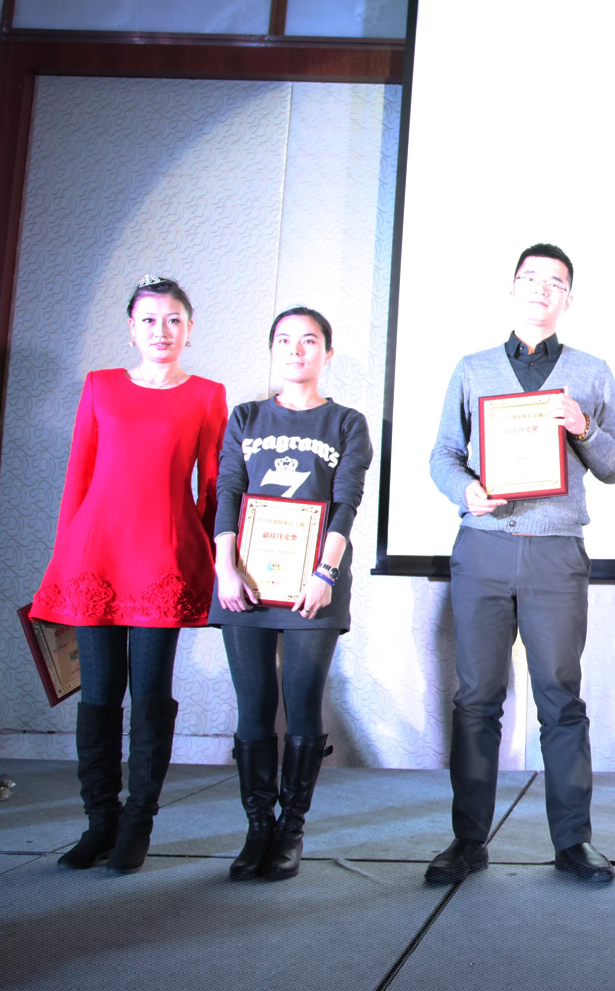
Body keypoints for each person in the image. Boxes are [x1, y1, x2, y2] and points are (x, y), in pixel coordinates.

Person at [426, 243, 615, 884]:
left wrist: (583, 428)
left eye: (556, 282)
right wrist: (466, 491)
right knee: (476, 698)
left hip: (555, 552)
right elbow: (442, 455)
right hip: (483, 546)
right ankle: (468, 840)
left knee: (560, 699)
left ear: (569, 298)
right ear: (512, 288)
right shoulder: (473, 369)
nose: (542, 288)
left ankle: (573, 842)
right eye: (531, 278)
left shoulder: (591, 372)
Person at [33, 275, 228, 874]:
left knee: (149, 697)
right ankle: (100, 822)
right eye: (149, 320)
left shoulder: (207, 395)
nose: (161, 331)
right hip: (95, 557)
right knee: (97, 697)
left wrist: (209, 559)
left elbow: (213, 486)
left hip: (163, 560)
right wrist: (65, 560)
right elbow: (78, 476)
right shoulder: (100, 386)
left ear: (189, 329)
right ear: (131, 329)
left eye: (173, 320)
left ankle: (138, 824)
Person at [211, 307, 373, 881]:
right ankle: (257, 827)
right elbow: (228, 490)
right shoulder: (246, 416)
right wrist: (225, 567)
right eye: (285, 339)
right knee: (254, 706)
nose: (296, 349)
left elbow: (346, 500)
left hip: (314, 581)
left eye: (309, 340)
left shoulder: (346, 422)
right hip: (245, 581)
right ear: (272, 349)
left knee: (302, 704)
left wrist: (325, 573)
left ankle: (291, 830)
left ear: (327, 353)